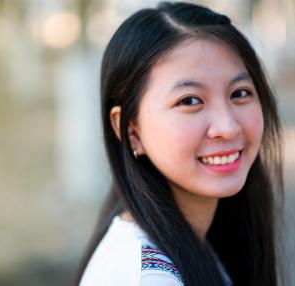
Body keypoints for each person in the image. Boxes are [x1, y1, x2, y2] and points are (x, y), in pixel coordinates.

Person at [77, 2, 284, 286]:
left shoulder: (197, 244)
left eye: (240, 93)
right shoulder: (146, 278)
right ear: (130, 129)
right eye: (189, 100)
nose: (227, 127)